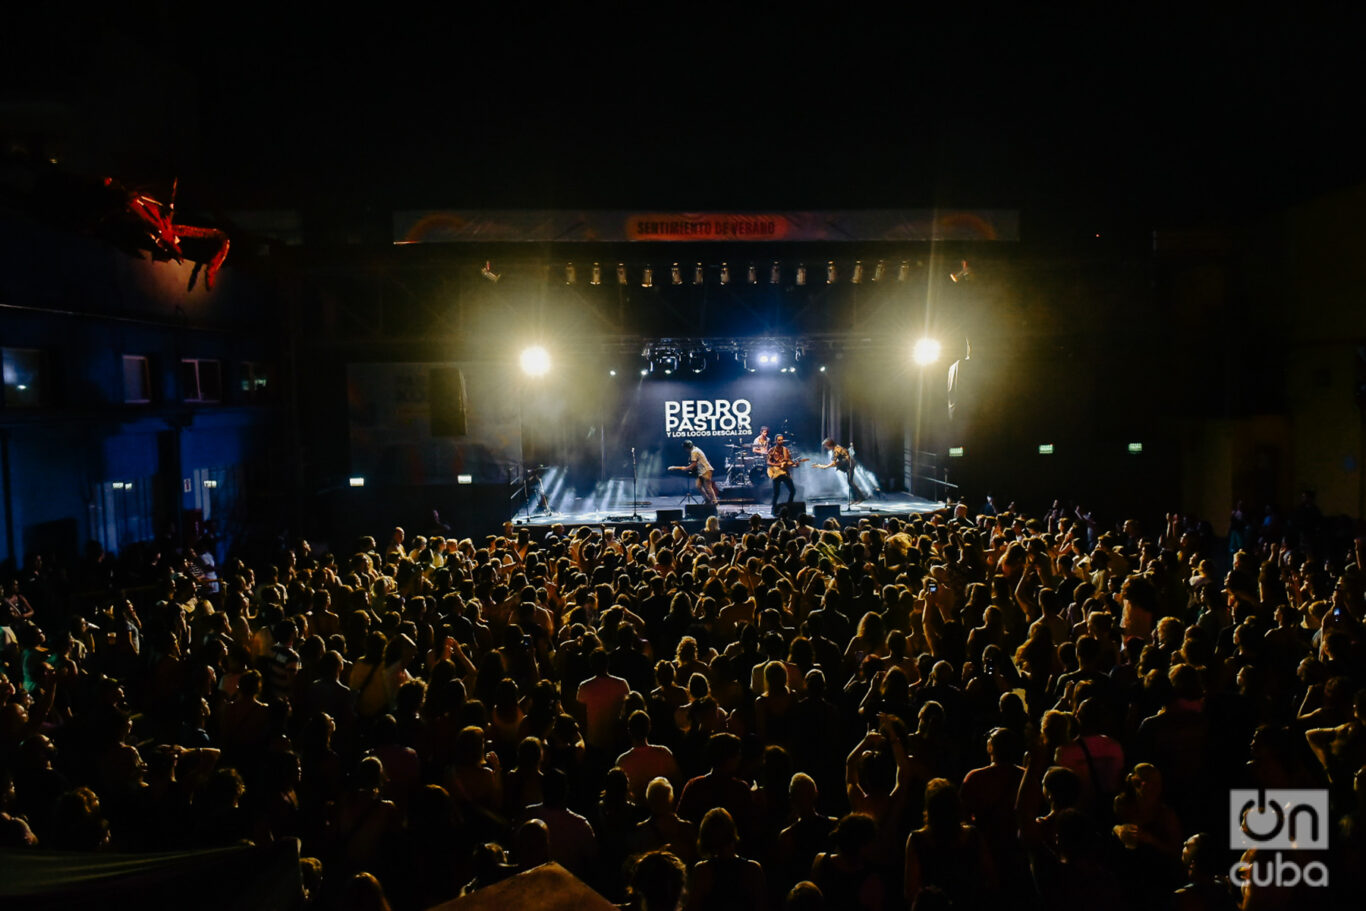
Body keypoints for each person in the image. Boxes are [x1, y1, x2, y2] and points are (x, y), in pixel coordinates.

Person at [816, 438, 866, 504]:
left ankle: (861, 497)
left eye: (826, 446)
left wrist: (825, 466)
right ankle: (855, 499)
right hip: (847, 464)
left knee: (850, 482)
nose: (826, 448)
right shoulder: (835, 449)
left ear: (829, 445)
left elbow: (838, 461)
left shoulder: (837, 449)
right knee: (850, 482)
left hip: (849, 464)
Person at [670, 440, 719, 505]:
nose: (685, 450)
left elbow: (693, 465)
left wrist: (684, 468)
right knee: (698, 486)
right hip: (702, 471)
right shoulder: (696, 449)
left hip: (706, 471)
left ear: (687, 447)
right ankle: (707, 500)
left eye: (685, 448)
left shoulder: (694, 452)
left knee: (708, 488)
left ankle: (715, 502)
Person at [767, 435, 798, 514]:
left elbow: (789, 462)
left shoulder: (786, 450)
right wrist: (778, 465)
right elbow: (768, 462)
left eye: (782, 440)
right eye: (779, 440)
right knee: (776, 493)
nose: (781, 441)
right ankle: (773, 509)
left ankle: (788, 507)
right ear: (776, 441)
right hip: (776, 473)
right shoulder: (772, 450)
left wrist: (795, 465)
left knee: (792, 490)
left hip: (784, 473)